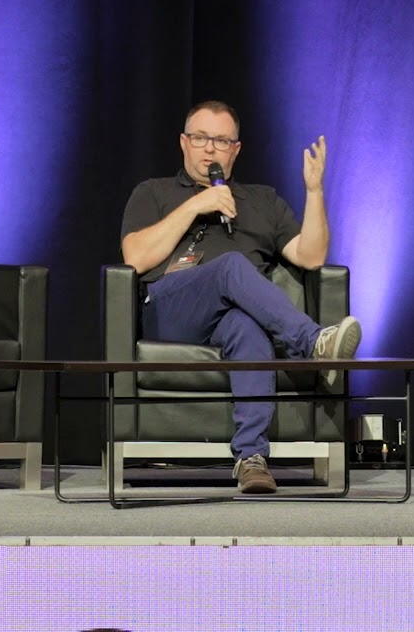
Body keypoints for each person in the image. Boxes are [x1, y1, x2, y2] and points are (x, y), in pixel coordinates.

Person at [119, 100, 361, 494]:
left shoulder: (262, 201)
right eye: (200, 138)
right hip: (170, 311)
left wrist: (314, 192)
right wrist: (198, 203)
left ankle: (251, 458)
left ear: (236, 149)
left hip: (228, 318)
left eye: (220, 140)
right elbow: (135, 257)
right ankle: (313, 342)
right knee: (231, 266)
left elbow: (312, 256)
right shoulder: (154, 192)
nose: (209, 148)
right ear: (184, 143)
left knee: (248, 327)